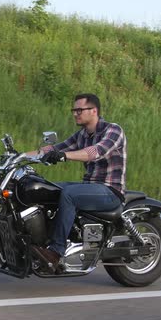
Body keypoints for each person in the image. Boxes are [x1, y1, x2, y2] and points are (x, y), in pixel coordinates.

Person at [27, 93, 127, 273]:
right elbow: (55, 148)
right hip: (90, 187)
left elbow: (95, 152)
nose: (75, 113)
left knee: (69, 195)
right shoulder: (82, 134)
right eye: (74, 110)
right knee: (48, 189)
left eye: (79, 110)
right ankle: (41, 243)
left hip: (110, 191)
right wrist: (20, 156)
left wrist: (65, 156)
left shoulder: (113, 131)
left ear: (94, 111)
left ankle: (56, 252)